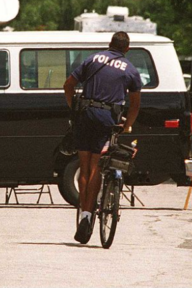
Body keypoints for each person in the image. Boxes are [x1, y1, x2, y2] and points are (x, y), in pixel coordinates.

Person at [63, 31, 142, 244]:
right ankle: (89, 215)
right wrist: (126, 126)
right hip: (106, 118)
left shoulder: (92, 59)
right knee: (97, 166)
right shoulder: (130, 70)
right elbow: (135, 104)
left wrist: (75, 109)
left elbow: (68, 85)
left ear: (109, 44)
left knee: (84, 165)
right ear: (127, 49)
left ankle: (85, 215)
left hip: (85, 115)